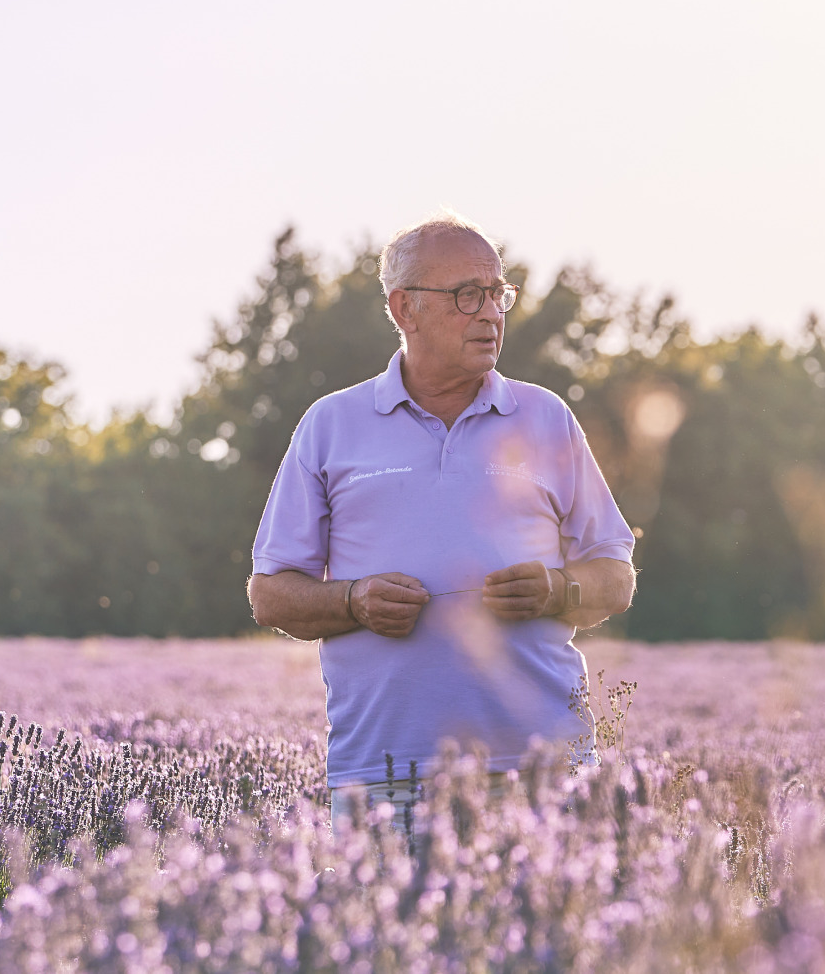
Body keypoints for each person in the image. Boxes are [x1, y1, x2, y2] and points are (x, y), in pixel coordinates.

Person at [247, 211, 637, 824]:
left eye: (498, 294)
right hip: (385, 776)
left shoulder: (546, 417)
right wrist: (353, 600)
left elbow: (616, 576)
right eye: (466, 295)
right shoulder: (331, 424)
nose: (490, 313)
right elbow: (270, 596)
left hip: (543, 768)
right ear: (405, 309)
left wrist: (558, 590)